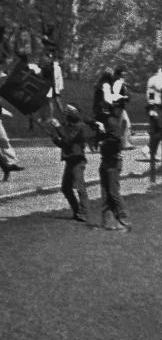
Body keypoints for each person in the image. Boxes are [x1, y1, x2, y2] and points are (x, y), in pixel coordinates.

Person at [94, 70, 131, 230]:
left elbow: (115, 140)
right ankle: (108, 223)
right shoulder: (108, 120)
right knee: (105, 192)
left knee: (113, 193)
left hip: (113, 161)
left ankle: (124, 220)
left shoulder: (114, 122)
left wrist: (102, 139)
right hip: (106, 160)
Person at [50, 104, 89, 222]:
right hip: (70, 160)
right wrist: (55, 139)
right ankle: (77, 211)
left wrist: (57, 128)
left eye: (69, 112)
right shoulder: (69, 125)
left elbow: (68, 140)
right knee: (66, 188)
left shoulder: (79, 126)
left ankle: (84, 213)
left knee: (80, 187)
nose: (66, 114)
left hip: (77, 160)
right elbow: (65, 144)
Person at [145, 68, 162, 164]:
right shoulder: (155, 79)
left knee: (159, 130)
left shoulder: (156, 79)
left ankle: (152, 152)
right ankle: (148, 149)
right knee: (160, 130)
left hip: (157, 106)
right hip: (155, 107)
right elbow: (153, 92)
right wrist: (152, 108)